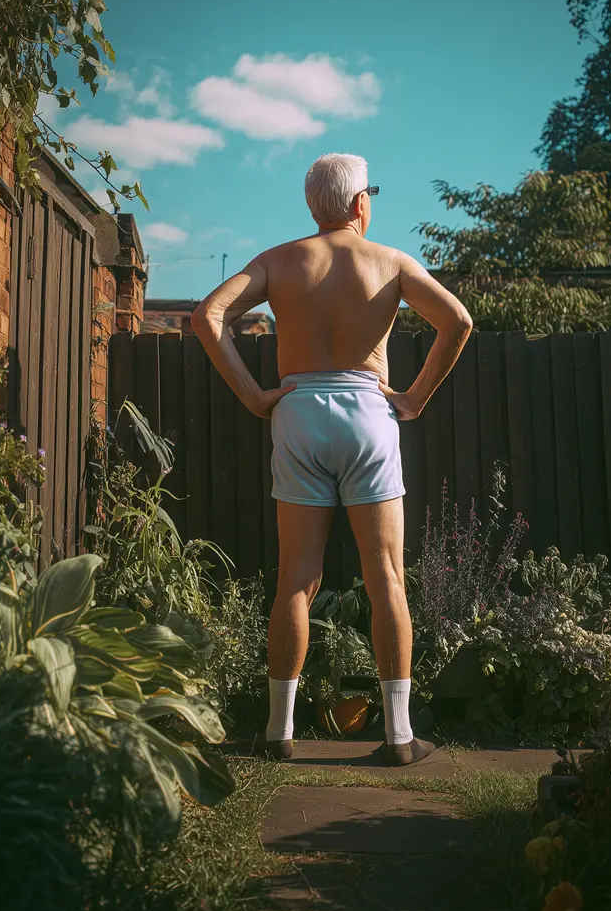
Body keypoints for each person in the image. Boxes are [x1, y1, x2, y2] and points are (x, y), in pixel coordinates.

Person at [192, 153, 472, 765]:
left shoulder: (278, 261)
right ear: (357, 204)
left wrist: (256, 397)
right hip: (368, 409)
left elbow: (206, 316)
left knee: (297, 576)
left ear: (314, 206)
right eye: (369, 192)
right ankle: (399, 737)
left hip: (297, 410)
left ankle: (277, 734)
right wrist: (414, 399)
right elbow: (457, 320)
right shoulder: (390, 262)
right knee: (386, 577)